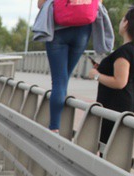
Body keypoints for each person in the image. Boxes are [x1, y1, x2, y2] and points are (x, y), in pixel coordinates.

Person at [37, 0, 98, 132]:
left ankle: (54, 127)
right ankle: (61, 125)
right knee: (64, 79)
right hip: (83, 29)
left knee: (59, 81)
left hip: (59, 29)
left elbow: (40, 5)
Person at [92, 6, 134, 145]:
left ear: (126, 23)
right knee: (117, 148)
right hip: (127, 105)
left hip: (115, 106)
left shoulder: (124, 51)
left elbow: (120, 82)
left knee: (108, 147)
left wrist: (96, 75)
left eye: (122, 20)